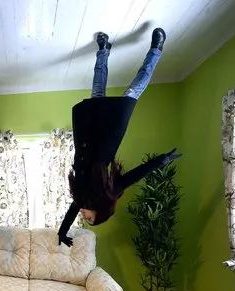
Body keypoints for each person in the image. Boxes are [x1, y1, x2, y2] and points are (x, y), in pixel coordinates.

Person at [57, 28, 182, 247]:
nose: (84, 217)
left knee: (96, 93)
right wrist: (162, 160)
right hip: (107, 138)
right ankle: (155, 50)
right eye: (89, 218)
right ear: (100, 212)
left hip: (86, 138)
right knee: (132, 93)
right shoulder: (109, 193)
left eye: (85, 219)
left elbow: (69, 214)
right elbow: (137, 174)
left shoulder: (80, 199)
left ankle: (103, 51)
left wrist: (61, 232)